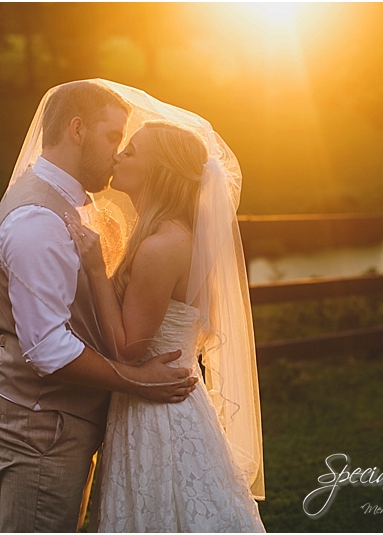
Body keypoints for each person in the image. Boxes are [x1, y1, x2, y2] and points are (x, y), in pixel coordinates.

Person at [0, 80, 199, 533]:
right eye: (113, 137)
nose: (118, 153)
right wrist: (141, 382)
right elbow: (47, 349)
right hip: (42, 423)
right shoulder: (37, 219)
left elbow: (57, 314)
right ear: (77, 129)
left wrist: (14, 334)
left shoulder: (76, 205)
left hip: (66, 418)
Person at [65, 91, 266, 530]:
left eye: (131, 150)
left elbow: (127, 349)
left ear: (157, 171)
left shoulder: (161, 247)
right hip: (161, 399)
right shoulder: (173, 236)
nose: (118, 155)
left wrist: (97, 270)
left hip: (157, 414)